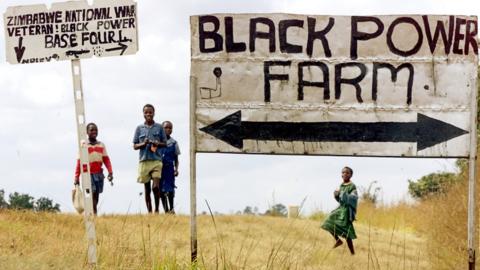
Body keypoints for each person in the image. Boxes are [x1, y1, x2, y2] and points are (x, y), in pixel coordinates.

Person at [133, 104, 167, 213]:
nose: (148, 114)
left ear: (154, 113)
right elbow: (135, 146)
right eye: (146, 112)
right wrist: (143, 143)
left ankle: (157, 209)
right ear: (143, 114)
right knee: (147, 188)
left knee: (156, 187)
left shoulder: (159, 127)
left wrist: (157, 143)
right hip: (144, 161)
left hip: (156, 161)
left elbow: (165, 144)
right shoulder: (139, 128)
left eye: (150, 112)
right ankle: (150, 212)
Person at [74, 123, 113, 215]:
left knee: (96, 196)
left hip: (99, 174)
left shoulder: (101, 145)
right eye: (92, 130)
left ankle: (91, 212)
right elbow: (79, 163)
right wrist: (76, 177)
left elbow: (106, 159)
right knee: (93, 193)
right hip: (88, 174)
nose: (94, 132)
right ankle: (94, 214)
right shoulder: (83, 146)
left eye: (96, 130)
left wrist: (110, 172)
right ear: (87, 132)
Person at [321, 166, 358, 255]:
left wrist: (342, 193)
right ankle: (338, 240)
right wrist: (337, 195)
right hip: (340, 209)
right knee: (327, 222)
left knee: (347, 234)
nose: (344, 174)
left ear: (351, 175)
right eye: (343, 172)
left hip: (346, 212)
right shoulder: (341, 185)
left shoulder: (352, 185)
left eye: (347, 173)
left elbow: (353, 198)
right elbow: (341, 200)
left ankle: (352, 253)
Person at [160, 121, 181, 214]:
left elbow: (176, 159)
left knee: (170, 190)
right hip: (160, 169)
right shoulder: (157, 142)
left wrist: (176, 169)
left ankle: (172, 209)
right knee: (161, 190)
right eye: (166, 128)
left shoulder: (174, 143)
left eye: (170, 128)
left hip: (169, 169)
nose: (168, 129)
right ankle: (166, 210)